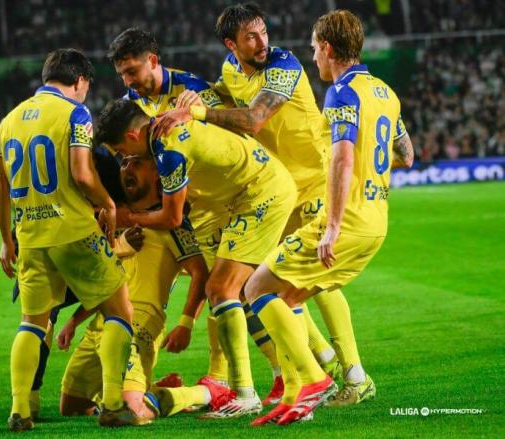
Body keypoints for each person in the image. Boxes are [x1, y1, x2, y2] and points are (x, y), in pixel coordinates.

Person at [152, 2, 357, 407]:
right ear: (232, 44)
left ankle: (352, 371)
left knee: (318, 271)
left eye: (263, 31)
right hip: (277, 186)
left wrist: (199, 111)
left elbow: (254, 119)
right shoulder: (230, 70)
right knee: (268, 281)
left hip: (314, 177)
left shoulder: (284, 63)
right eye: (251, 36)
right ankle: (321, 362)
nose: (263, 41)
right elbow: (226, 99)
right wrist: (192, 99)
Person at [245, 9, 414, 426]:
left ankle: (312, 382)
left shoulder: (342, 93)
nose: (312, 56)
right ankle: (319, 387)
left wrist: (333, 225)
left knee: (256, 288)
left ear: (328, 48)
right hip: (376, 220)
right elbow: (407, 156)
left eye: (314, 48)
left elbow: (341, 160)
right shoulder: (385, 93)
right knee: (287, 300)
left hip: (346, 220)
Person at [97, 98, 297, 418]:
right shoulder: (162, 129)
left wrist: (128, 217)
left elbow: (172, 218)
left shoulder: (169, 148)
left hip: (261, 194)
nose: (124, 159)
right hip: (243, 196)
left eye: (122, 152)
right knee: (243, 290)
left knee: (222, 289)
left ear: (132, 137)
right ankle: (289, 377)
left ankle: (250, 391)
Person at [109, 26, 283, 391]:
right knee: (224, 290)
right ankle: (241, 377)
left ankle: (248, 376)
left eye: (132, 72)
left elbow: (231, 135)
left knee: (232, 288)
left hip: (220, 202)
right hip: (184, 206)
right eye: (123, 75)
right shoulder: (133, 101)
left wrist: (195, 114)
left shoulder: (192, 90)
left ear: (153, 61)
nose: (129, 82)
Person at [0, 48, 139, 431]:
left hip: (30, 237)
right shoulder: (75, 113)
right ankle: (110, 403)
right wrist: (106, 203)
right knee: (120, 312)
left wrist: (7, 241)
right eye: (85, 88)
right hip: (73, 231)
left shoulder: (6, 123)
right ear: (79, 81)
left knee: (33, 323)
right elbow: (82, 172)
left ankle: (21, 409)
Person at [59, 154, 234, 421]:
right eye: (124, 163)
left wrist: (186, 323)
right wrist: (74, 320)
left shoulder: (172, 223)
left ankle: (205, 393)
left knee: (130, 412)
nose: (127, 168)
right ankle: (154, 390)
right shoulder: (116, 217)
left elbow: (200, 273)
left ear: (156, 172)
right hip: (103, 320)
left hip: (141, 321)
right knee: (71, 407)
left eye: (136, 162)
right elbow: (106, 277)